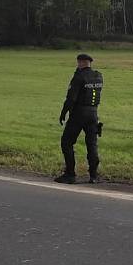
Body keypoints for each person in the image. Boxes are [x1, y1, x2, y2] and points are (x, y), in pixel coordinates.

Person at [55, 53, 103, 184]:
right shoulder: (98, 76)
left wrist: (63, 112)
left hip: (78, 114)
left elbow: (71, 98)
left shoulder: (79, 77)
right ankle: (94, 175)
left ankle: (70, 174)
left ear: (81, 62)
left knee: (67, 142)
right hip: (93, 114)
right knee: (92, 145)